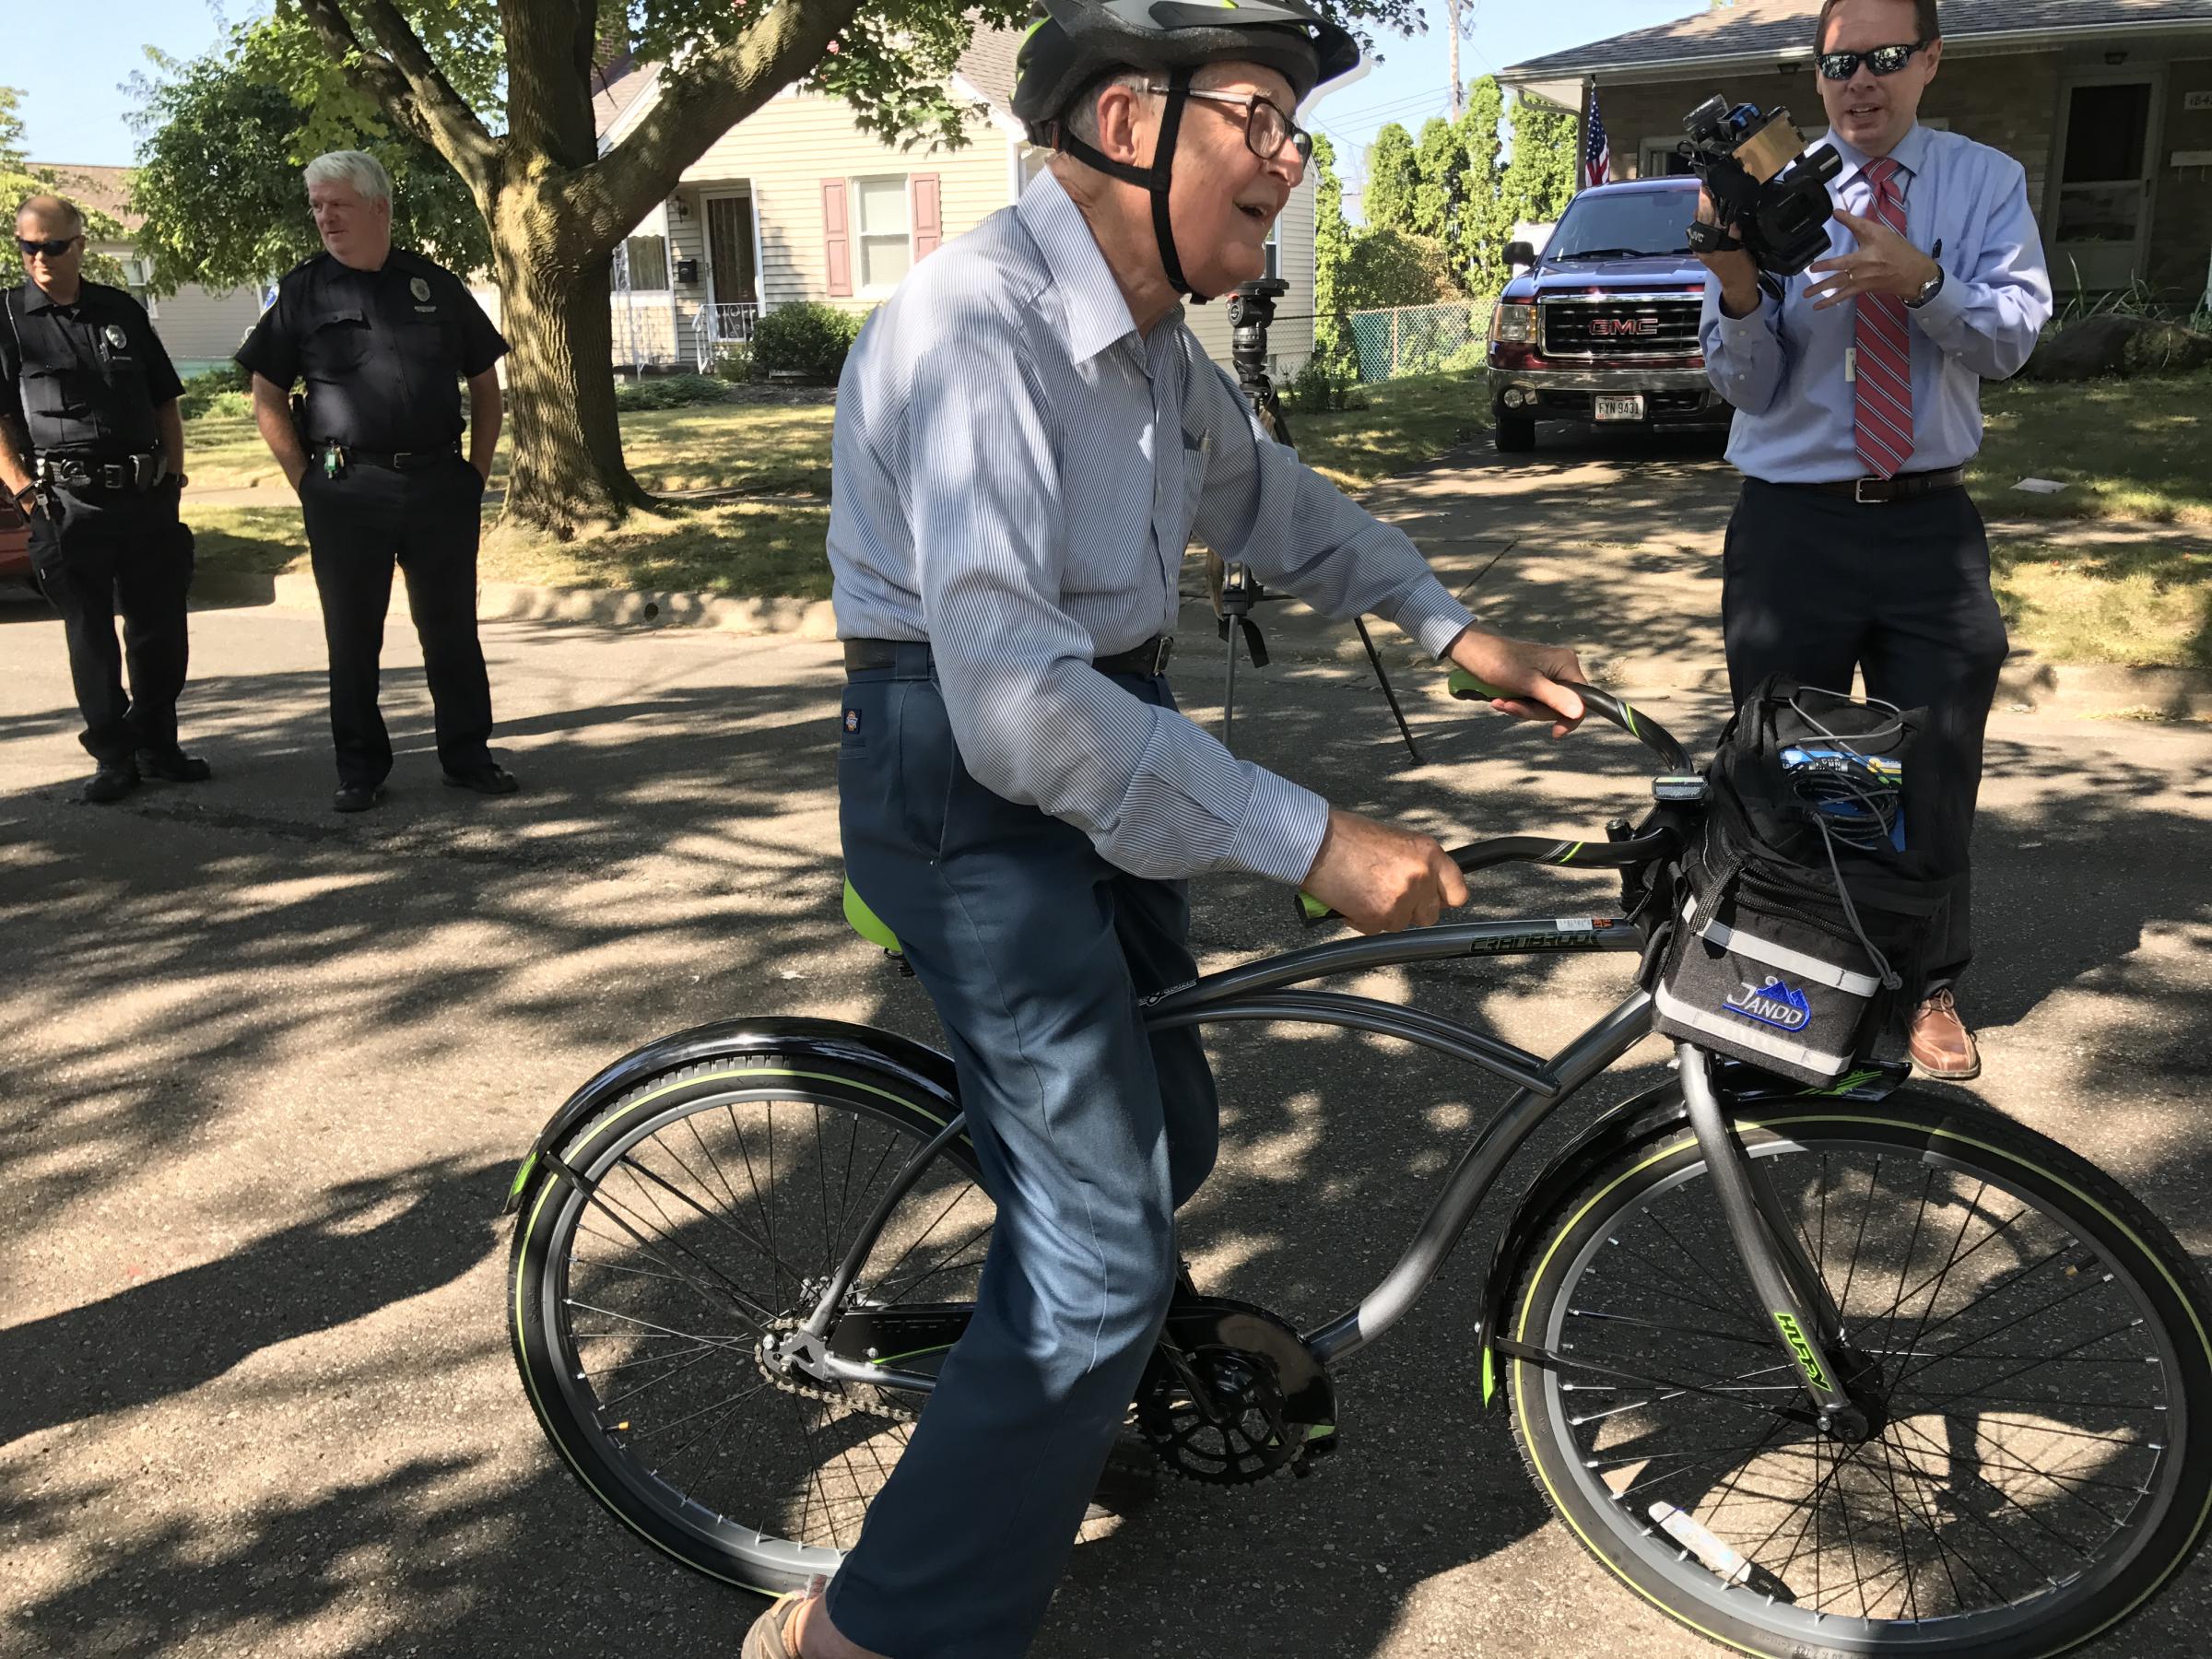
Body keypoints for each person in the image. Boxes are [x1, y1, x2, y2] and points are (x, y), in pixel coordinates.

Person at [749, 5, 1590, 1656]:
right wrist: (1318, 841)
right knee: (1096, 1264)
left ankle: (1047, 1379)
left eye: (1295, 126)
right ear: (1129, 120)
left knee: (1167, 1135)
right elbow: (1017, 708)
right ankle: (862, 1635)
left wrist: (1451, 624)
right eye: (1261, 116)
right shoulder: (969, 335)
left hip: (1098, 735)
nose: (1292, 157)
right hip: (967, 768)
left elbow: (1272, 503)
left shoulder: (1150, 349)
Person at [1696, 0, 2052, 1080]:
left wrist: (1926, 284)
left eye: (1887, 58)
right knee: (1791, 769)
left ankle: (1924, 987)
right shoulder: (1772, 190)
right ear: (1817, 77)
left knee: (1936, 765)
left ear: (1930, 61)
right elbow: (1743, 387)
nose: (1862, 82)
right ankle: (1782, 989)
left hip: (1928, 524)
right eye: (1841, 62)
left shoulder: (1982, 182)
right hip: (1792, 524)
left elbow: (2015, 339)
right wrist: (1739, 288)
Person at [236, 150, 515, 813]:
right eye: (317, 206)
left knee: (451, 629)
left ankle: (468, 756)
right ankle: (360, 768)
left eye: (337, 204)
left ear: (379, 207)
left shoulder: (435, 286)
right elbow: (267, 394)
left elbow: (485, 383)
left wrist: (473, 473)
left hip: (438, 486)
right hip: (345, 489)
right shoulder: (301, 291)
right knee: (353, 637)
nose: (324, 217)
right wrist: (305, 482)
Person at [0, 193, 206, 803]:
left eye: (53, 246)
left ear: (79, 245)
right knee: (90, 633)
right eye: (27, 247)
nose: (40, 258)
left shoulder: (119, 310)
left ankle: (158, 743)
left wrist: (172, 476)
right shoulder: (7, 318)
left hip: (144, 497)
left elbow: (164, 398)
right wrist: (22, 492)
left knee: (159, 628)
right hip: (65, 503)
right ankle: (114, 756)